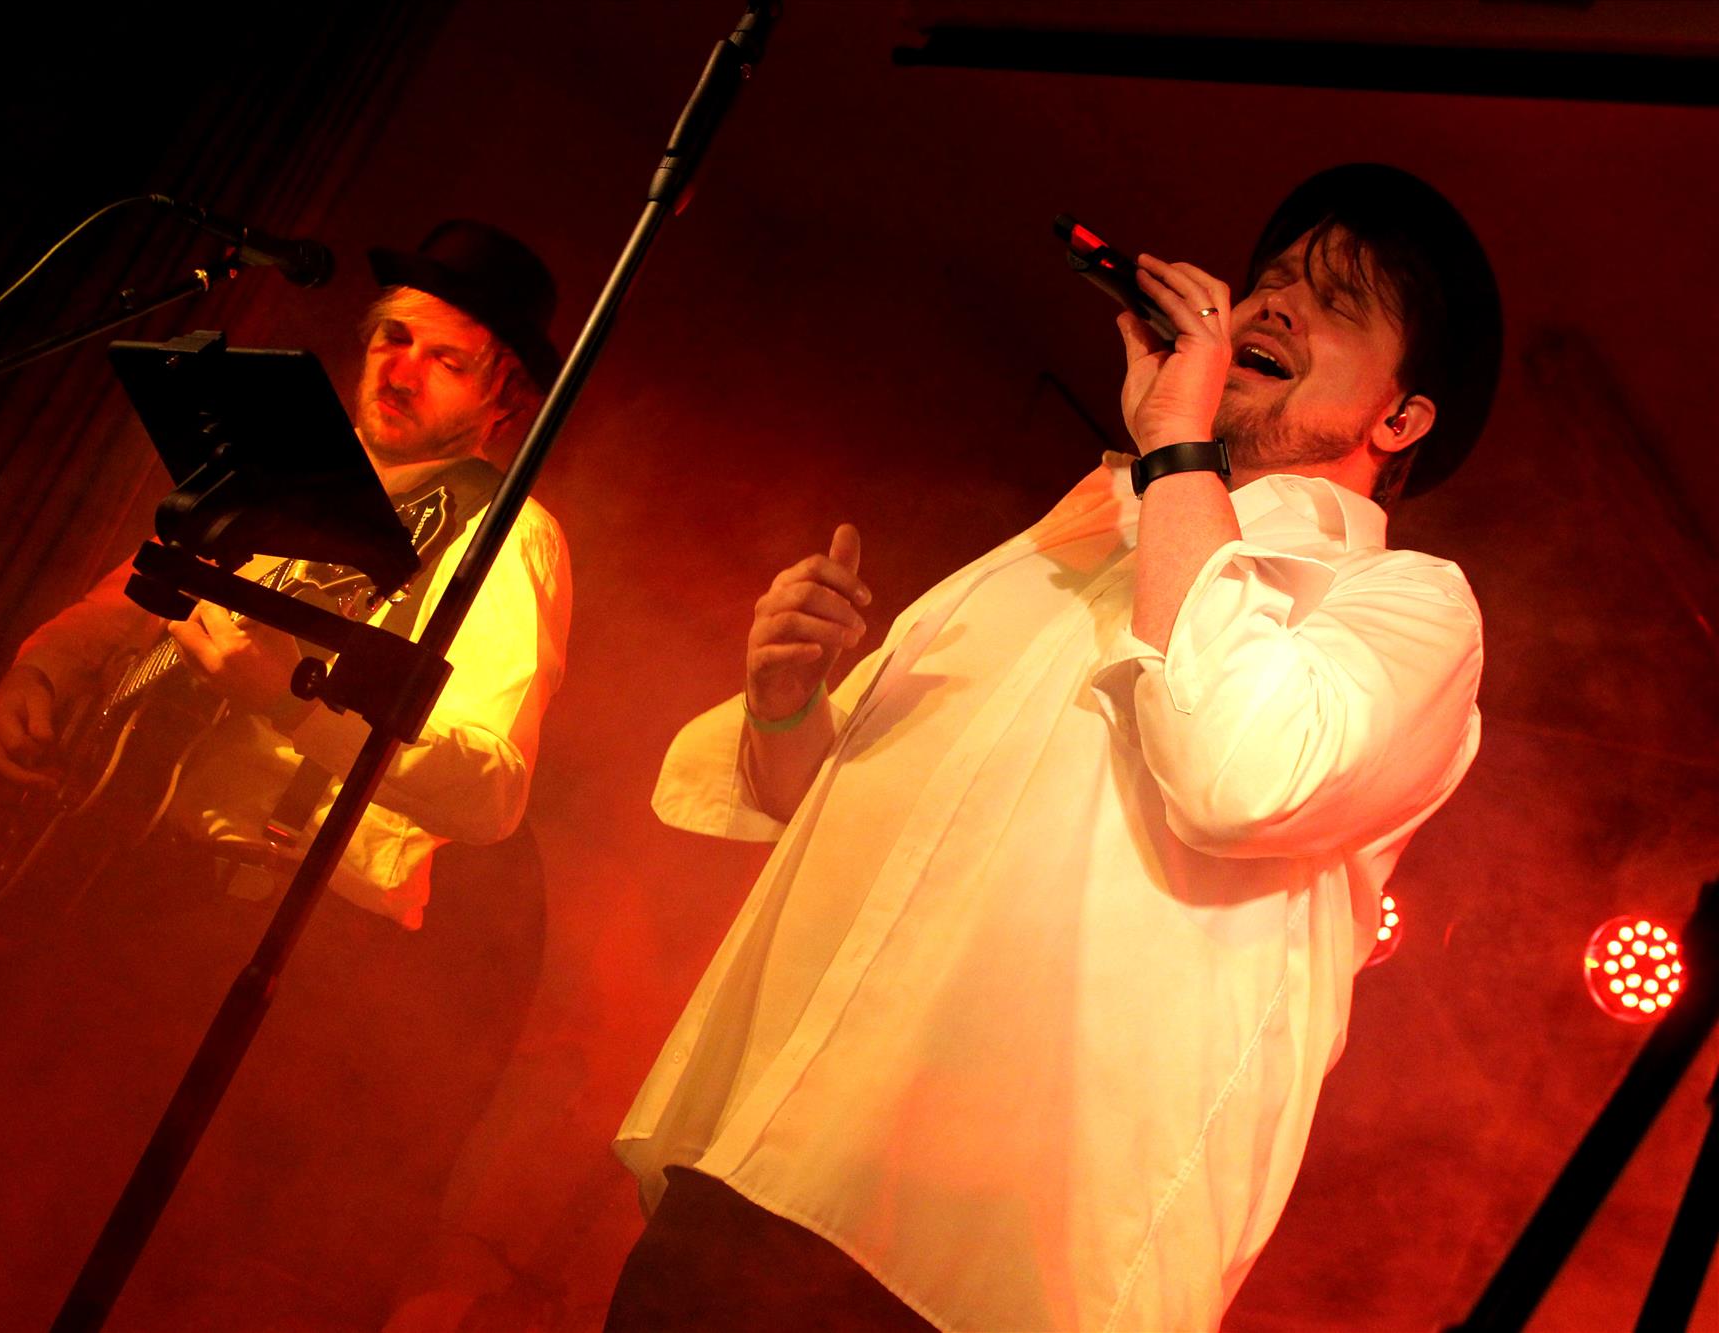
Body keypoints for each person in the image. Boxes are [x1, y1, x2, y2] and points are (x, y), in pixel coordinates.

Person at [608, 163, 1502, 1332]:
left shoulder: (1400, 604)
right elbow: (821, 818)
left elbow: (1237, 777)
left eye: (1334, 302)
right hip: (766, 1168)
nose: (1273, 306)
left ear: (1399, 418)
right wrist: (784, 705)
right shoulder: (1080, 531)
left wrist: (1175, 447)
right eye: (1272, 278)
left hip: (999, 1267)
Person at [0, 219, 573, 1327]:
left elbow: (490, 789)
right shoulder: (289, 471)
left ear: (507, 402)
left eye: (444, 357)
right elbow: (137, 597)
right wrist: (40, 665)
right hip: (132, 895)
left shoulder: (503, 534)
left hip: (288, 945)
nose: (400, 368)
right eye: (391, 338)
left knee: (173, 1272)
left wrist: (291, 696)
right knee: (2, 1214)